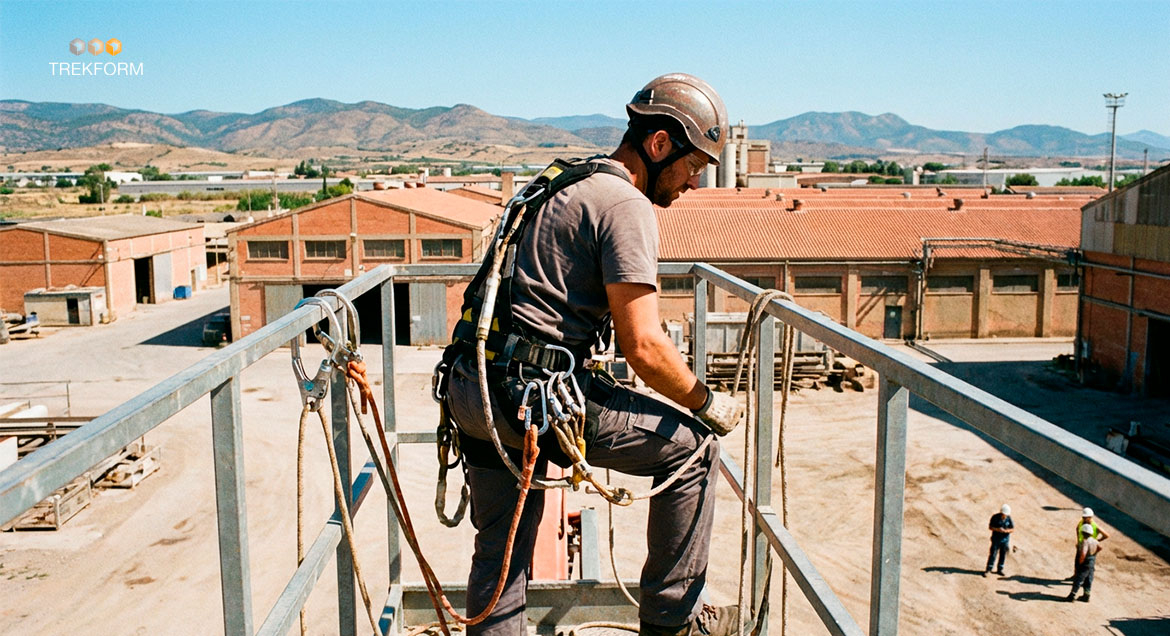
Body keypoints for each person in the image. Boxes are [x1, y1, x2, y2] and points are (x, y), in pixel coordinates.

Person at [440, 73, 745, 636]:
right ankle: (672, 623)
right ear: (659, 145)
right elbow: (646, 346)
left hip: (474, 387)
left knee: (501, 557)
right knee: (693, 453)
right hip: (535, 399)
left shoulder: (558, 181)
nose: (693, 185)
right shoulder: (625, 205)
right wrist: (707, 402)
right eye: (693, 167)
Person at [1067, 524, 1105, 602]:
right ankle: (1086, 595)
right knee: (1088, 579)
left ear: (1083, 533)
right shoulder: (1095, 541)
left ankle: (1072, 595)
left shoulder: (1085, 541)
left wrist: (1080, 562)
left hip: (1085, 562)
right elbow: (1100, 548)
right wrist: (1094, 554)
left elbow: (1083, 553)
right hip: (1092, 562)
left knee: (1079, 578)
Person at [984, 504, 1013, 576]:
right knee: (993, 554)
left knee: (1002, 555)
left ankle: (1000, 569)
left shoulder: (1009, 519)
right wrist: (997, 529)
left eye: (1006, 515)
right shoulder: (995, 517)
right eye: (1003, 514)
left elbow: (1012, 529)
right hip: (996, 540)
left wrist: (1006, 531)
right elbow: (990, 527)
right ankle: (988, 569)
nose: (1004, 516)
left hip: (1005, 541)